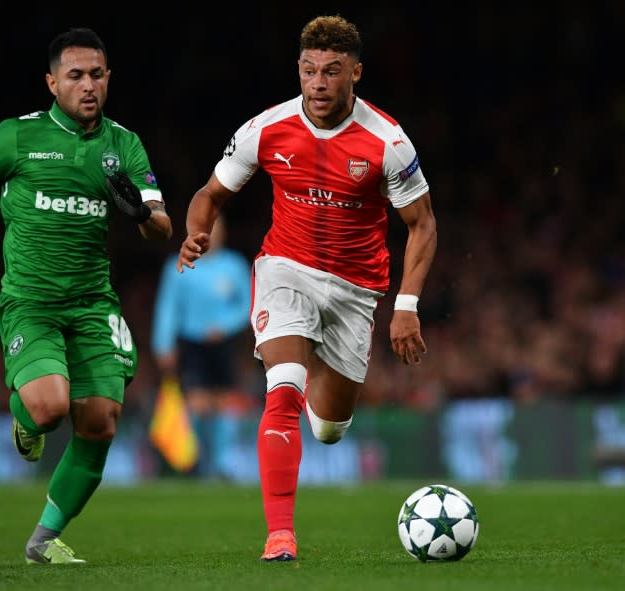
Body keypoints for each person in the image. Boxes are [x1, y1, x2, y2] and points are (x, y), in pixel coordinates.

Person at [0, 27, 173, 564]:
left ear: (109, 78)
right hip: (33, 302)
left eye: (96, 74)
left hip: (94, 305)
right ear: (52, 83)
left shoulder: (124, 144)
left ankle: (44, 539)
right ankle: (24, 417)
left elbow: (161, 226)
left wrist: (140, 213)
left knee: (100, 421)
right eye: (75, 76)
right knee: (48, 410)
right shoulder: (16, 137)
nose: (88, 85)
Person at [176, 15, 437, 562]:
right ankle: (280, 535)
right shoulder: (266, 129)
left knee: (330, 430)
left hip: (356, 289)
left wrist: (406, 305)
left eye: (332, 72)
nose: (318, 83)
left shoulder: (387, 140)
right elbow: (209, 193)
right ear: (298, 70)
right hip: (284, 270)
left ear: (356, 74)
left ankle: (317, 358)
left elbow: (423, 224)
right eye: (309, 70)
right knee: (284, 385)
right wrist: (197, 232)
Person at [151, 214, 252, 478]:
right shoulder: (179, 266)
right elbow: (167, 309)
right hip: (192, 343)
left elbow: (247, 306)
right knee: (197, 402)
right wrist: (163, 344)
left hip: (226, 343)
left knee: (225, 401)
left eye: (215, 229)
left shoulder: (234, 266)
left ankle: (221, 464)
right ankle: (195, 465)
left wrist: (225, 326)